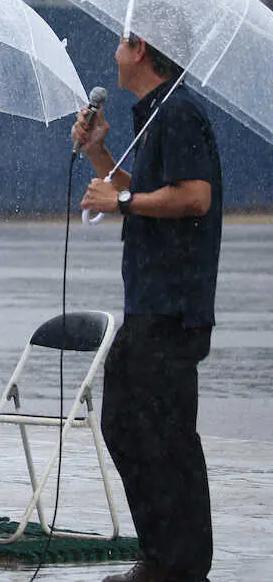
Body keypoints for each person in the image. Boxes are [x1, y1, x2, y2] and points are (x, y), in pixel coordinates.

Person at [74, 34, 221, 582]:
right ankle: (164, 556)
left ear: (140, 50)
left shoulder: (179, 111)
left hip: (174, 306)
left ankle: (178, 565)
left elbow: (195, 196)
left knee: (161, 432)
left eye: (119, 41)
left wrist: (125, 201)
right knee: (128, 424)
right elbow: (147, 192)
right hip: (151, 302)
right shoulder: (157, 111)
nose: (112, 50)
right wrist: (98, 154)